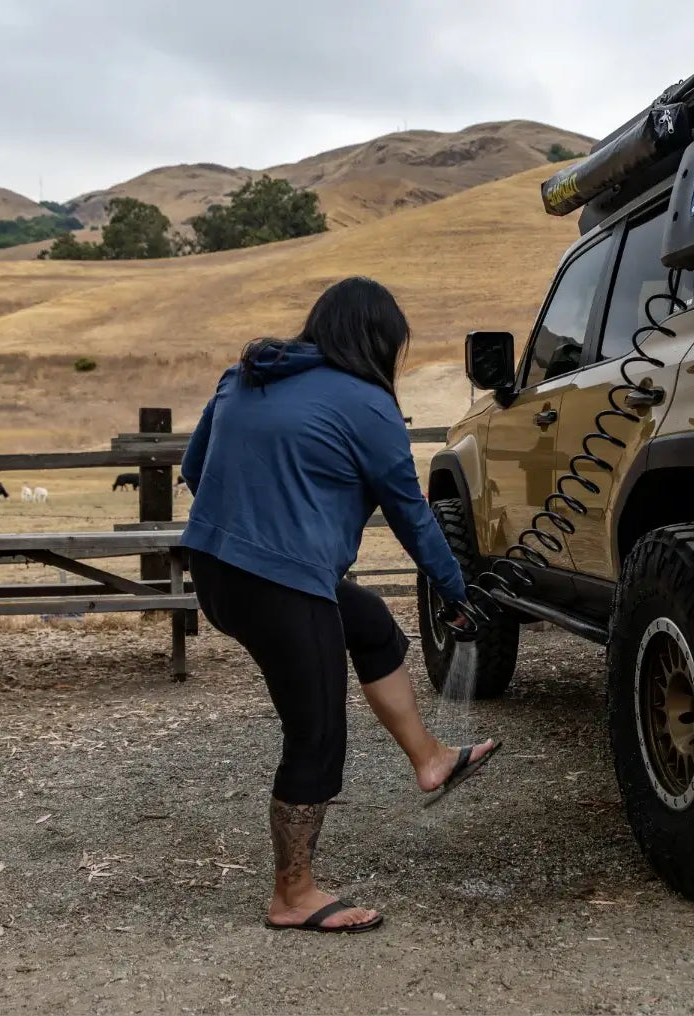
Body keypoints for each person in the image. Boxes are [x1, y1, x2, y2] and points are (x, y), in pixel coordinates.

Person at [180, 276, 498, 934]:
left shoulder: (245, 376)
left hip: (214, 570)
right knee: (316, 733)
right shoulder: (367, 405)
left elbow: (193, 468)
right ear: (379, 342)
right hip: (282, 586)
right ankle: (292, 895)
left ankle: (430, 758)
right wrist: (455, 589)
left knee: (371, 624)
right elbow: (411, 514)